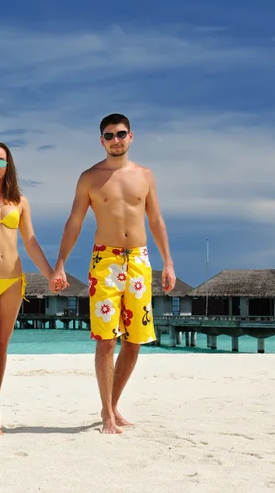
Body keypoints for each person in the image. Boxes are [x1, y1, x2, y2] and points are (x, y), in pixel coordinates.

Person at [50, 113, 176, 434]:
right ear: (101, 140)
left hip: (139, 261)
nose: (115, 140)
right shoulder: (89, 178)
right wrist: (61, 263)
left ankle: (113, 405)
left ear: (131, 136)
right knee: (106, 341)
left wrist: (169, 262)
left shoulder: (145, 176)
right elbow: (74, 222)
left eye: (121, 134)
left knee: (134, 342)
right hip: (104, 262)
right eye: (109, 135)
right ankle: (106, 414)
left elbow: (157, 221)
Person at [0, 141, 61, 435]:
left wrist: (52, 273)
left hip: (14, 281)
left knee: (2, 348)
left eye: (1, 161)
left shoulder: (20, 202)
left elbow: (30, 242)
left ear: (8, 165)